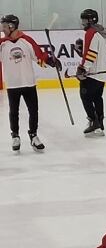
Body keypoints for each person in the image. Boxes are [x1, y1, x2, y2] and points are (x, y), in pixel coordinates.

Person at [0, 13, 59, 152]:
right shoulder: (2, 44)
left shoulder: (26, 40)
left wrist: (51, 61)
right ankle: (15, 135)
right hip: (13, 84)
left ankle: (33, 135)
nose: (2, 29)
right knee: (13, 112)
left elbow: (39, 57)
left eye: (4, 26)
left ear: (11, 26)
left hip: (29, 83)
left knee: (34, 111)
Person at [76, 8, 106, 137]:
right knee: (97, 97)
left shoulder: (90, 32)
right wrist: (81, 52)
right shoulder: (102, 32)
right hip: (102, 74)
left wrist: (83, 68)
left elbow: (91, 53)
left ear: (91, 20)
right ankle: (100, 125)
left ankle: (93, 120)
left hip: (92, 74)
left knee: (85, 96)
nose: (83, 23)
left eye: (84, 20)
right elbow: (95, 51)